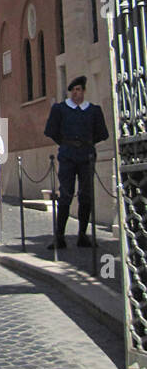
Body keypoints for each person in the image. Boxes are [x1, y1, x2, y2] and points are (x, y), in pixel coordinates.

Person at [44, 76, 109, 249]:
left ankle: (82, 235)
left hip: (87, 156)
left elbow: (102, 133)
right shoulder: (60, 109)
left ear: (84, 91)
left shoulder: (93, 110)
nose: (75, 93)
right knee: (65, 194)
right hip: (67, 156)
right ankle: (60, 236)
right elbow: (51, 131)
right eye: (72, 90)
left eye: (78, 89)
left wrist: (87, 143)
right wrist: (66, 144)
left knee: (86, 195)